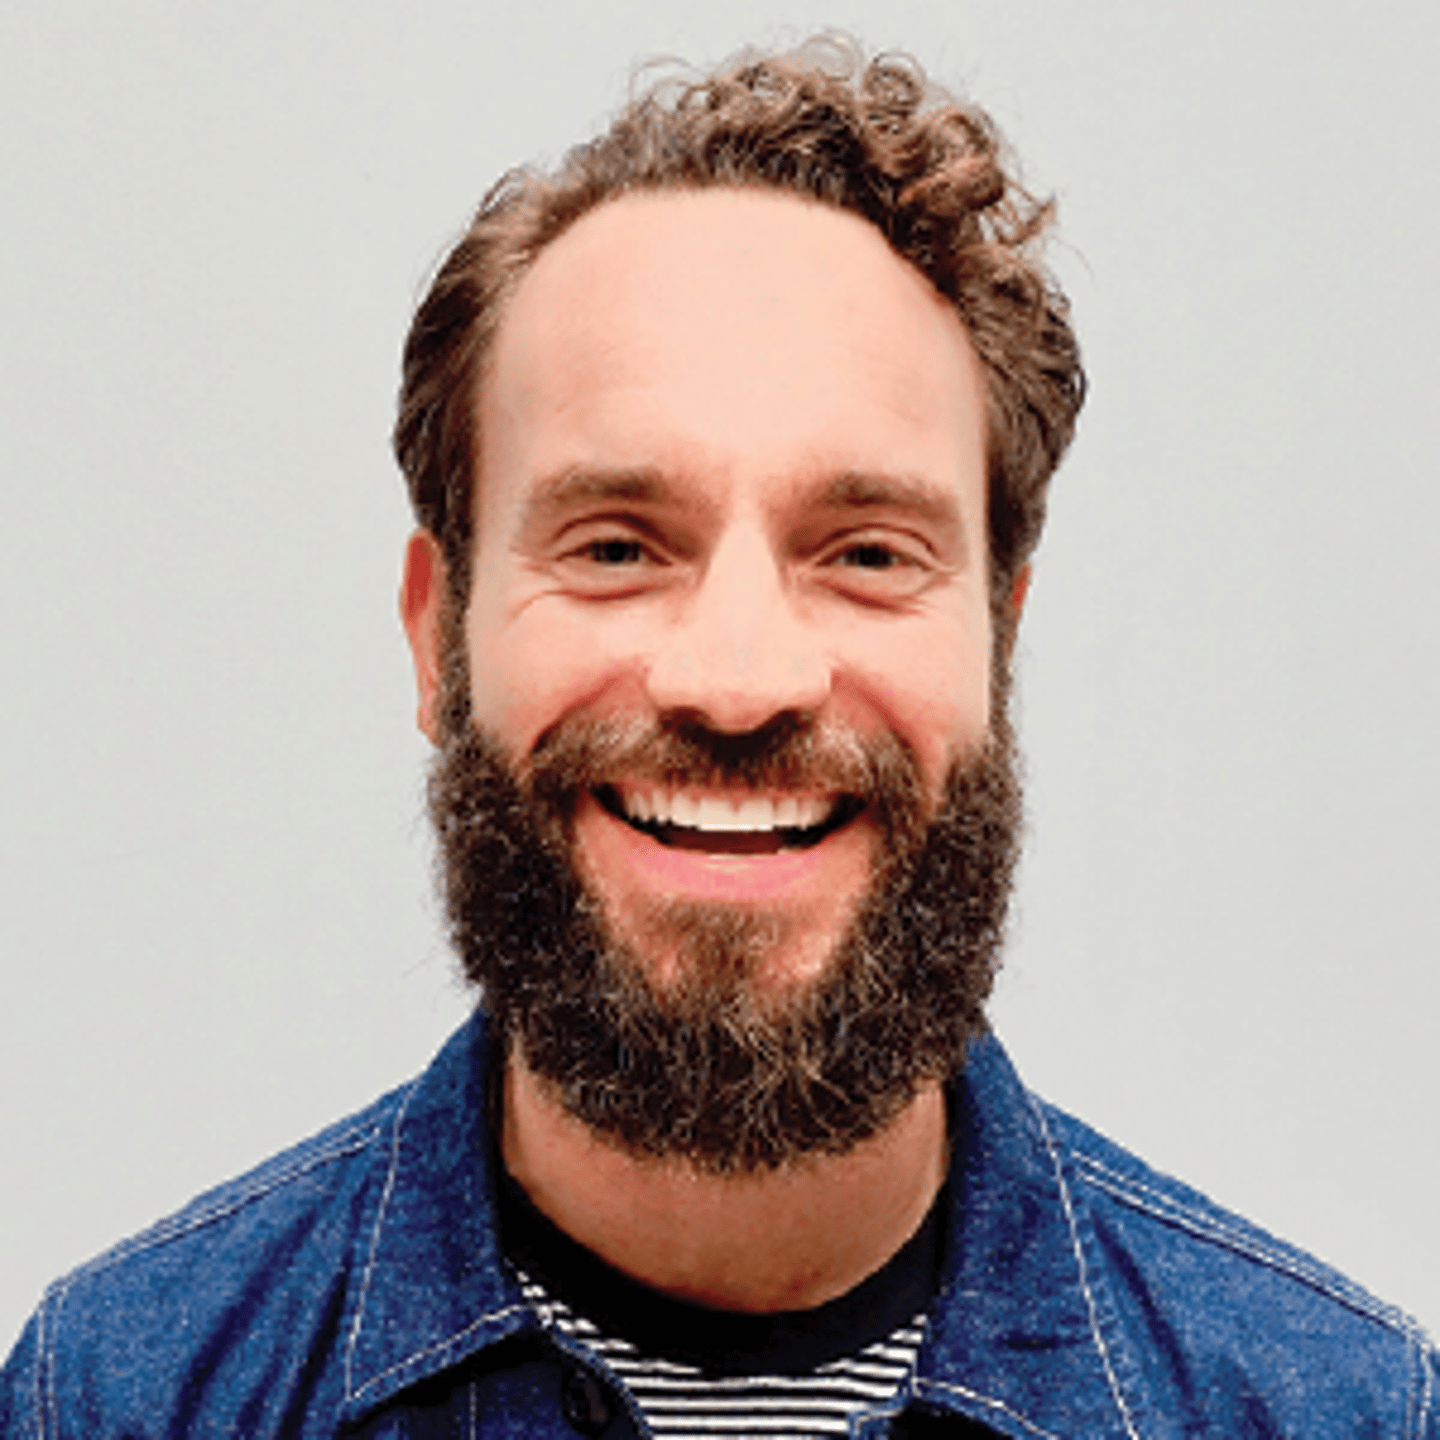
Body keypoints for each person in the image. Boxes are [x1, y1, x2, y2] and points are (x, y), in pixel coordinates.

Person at [2, 38, 1433, 1440]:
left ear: (1000, 635)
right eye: (619, 544)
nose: (740, 680)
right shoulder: (118, 1398)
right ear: (436, 635)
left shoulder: (1344, 1412)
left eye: (867, 553)